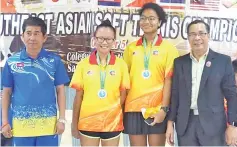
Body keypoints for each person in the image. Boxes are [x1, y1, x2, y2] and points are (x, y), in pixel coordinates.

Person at [166, 19, 237, 146]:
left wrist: (233, 125)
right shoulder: (180, 62)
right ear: (188, 38)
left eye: (201, 33)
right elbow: (175, 94)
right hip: (186, 125)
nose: (197, 37)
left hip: (214, 126)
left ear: (208, 36)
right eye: (192, 34)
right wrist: (170, 122)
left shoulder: (223, 61)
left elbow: (232, 95)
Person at [1, 16, 69, 146]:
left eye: (36, 33)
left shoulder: (54, 61)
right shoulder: (12, 62)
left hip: (48, 126)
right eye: (29, 33)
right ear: (22, 36)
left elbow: (60, 91)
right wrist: (4, 122)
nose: (32, 38)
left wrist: (62, 119)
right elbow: (6, 93)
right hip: (21, 126)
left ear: (44, 37)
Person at [123, 2, 179, 146]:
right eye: (143, 18)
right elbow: (124, 82)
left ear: (160, 21)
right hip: (133, 108)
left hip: (157, 109)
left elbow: (169, 82)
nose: (147, 21)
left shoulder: (169, 49)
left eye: (151, 18)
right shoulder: (130, 48)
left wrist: (164, 110)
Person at [70, 20, 130, 147]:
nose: (104, 42)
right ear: (94, 40)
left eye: (108, 39)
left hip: (112, 124)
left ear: (114, 41)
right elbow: (78, 97)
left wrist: (111, 111)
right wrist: (74, 124)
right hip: (88, 123)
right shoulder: (83, 64)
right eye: (101, 38)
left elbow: (123, 95)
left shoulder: (121, 65)